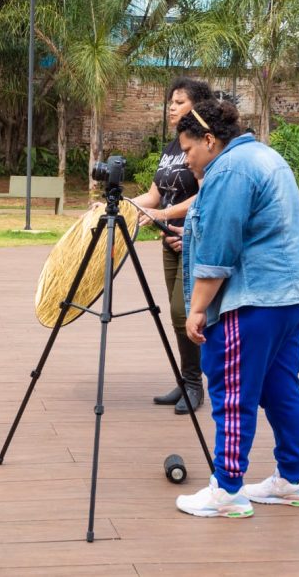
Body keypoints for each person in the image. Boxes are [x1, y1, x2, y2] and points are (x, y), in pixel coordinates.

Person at [173, 99, 299, 518]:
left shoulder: (229, 169)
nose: (186, 160)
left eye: (188, 150)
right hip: (295, 295)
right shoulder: (263, 154)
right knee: (280, 388)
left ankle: (227, 490)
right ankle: (293, 480)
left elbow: (219, 252)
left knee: (232, 391)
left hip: (258, 298)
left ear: (209, 139)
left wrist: (198, 310)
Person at [129, 77, 214, 415]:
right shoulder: (171, 148)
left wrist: (162, 213)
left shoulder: (204, 145)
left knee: (184, 311)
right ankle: (186, 379)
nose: (172, 107)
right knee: (177, 314)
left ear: (197, 105)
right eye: (171, 101)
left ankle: (195, 385)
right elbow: (153, 195)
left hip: (191, 238)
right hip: (169, 240)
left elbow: (205, 194)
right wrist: (120, 204)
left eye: (179, 101)